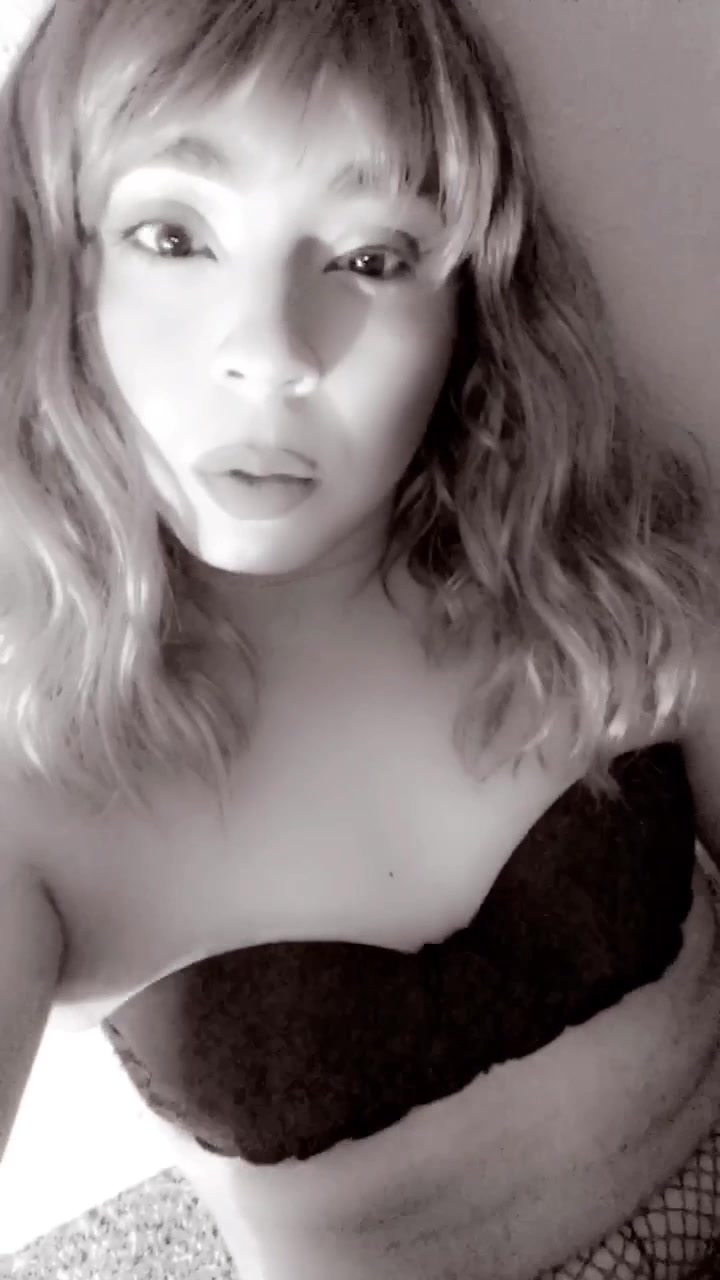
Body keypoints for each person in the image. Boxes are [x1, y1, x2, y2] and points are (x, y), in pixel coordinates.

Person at [2, 1, 720, 1277]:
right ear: (58, 269)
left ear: (469, 312)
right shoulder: (35, 772)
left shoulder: (605, 567)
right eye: (173, 236)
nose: (271, 353)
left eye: (373, 256)